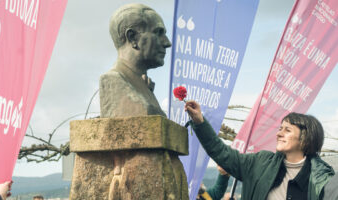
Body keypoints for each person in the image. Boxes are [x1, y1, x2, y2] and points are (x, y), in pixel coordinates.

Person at [185, 100, 335, 200]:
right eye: (280, 128)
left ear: (305, 138)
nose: (279, 133)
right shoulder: (260, 162)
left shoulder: (322, 179)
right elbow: (221, 152)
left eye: (287, 130)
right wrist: (200, 122)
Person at [100, 3, 172, 118]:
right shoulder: (113, 80)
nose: (167, 43)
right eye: (158, 33)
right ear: (132, 37)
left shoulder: (142, 85)